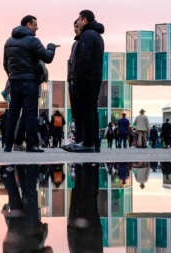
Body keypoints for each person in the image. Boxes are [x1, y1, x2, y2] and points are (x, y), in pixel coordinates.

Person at [1, 165, 59, 253]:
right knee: (13, 196)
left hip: (30, 225)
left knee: (30, 193)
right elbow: (7, 243)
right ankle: (8, 171)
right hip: (15, 225)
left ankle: (31, 167)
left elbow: (47, 250)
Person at [3, 15, 57, 153]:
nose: (37, 28)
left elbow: (5, 63)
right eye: (35, 25)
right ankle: (32, 145)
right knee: (30, 113)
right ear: (28, 24)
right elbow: (47, 57)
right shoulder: (33, 41)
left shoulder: (8, 41)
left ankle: (8, 145)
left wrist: (13, 74)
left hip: (14, 81)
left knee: (13, 113)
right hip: (30, 82)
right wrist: (51, 47)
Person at [63, 10, 104, 153]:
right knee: (91, 110)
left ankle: (87, 143)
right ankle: (89, 142)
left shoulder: (87, 35)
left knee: (87, 111)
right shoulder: (95, 35)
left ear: (84, 20)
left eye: (79, 19)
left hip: (86, 79)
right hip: (93, 77)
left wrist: (77, 78)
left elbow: (83, 60)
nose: (78, 22)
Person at [68, 163, 104, 253]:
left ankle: (87, 168)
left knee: (86, 195)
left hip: (87, 227)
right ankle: (88, 167)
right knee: (86, 195)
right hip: (86, 227)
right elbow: (84, 247)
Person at [67, 19, 82, 144]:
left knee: (80, 112)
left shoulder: (83, 41)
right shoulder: (75, 43)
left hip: (77, 80)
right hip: (72, 80)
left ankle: (81, 139)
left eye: (77, 26)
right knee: (76, 113)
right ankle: (78, 139)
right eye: (74, 27)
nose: (75, 29)